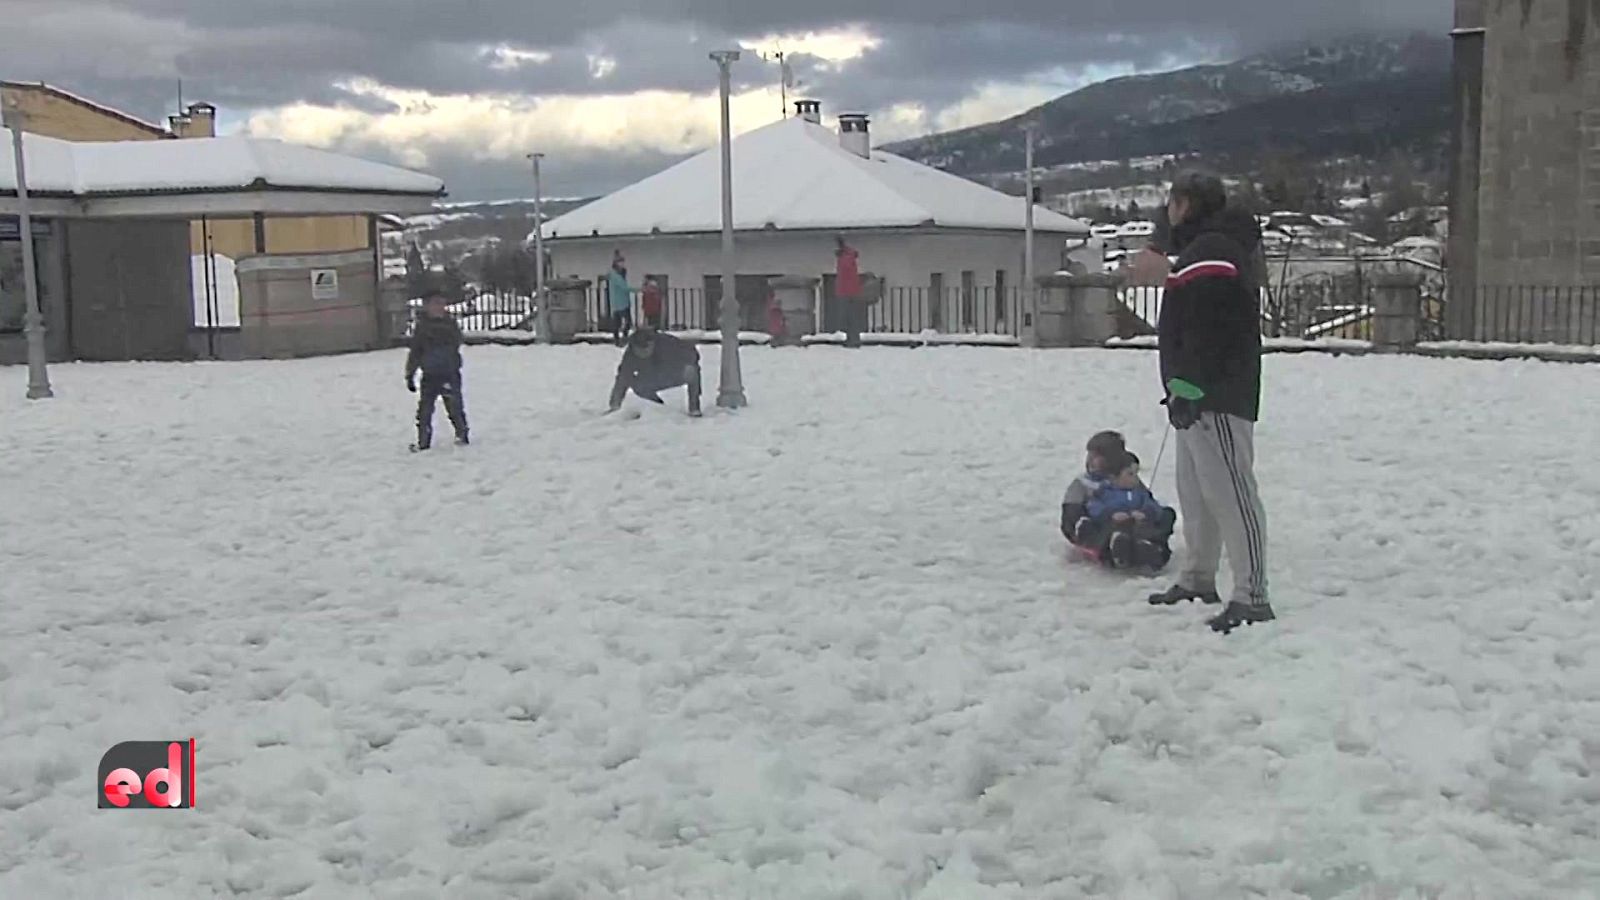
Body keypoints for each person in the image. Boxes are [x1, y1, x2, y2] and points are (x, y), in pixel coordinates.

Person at [1144, 171, 1272, 634]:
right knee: (1196, 488)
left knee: (1229, 490)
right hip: (1195, 393)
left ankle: (1252, 594)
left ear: (1187, 205)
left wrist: (1191, 388)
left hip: (1215, 394)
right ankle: (1199, 575)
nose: (1168, 212)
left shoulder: (1212, 253)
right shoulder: (1207, 249)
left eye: (1172, 203)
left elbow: (1207, 330)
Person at [1087, 452, 1176, 571]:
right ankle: (1118, 551)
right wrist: (1111, 514)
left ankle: (1147, 549)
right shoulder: (1104, 492)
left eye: (1136, 474)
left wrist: (1145, 513)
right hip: (1115, 527)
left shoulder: (1140, 493)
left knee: (1149, 529)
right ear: (1114, 477)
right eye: (1130, 474)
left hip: (1139, 528)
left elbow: (1153, 505)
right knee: (1117, 531)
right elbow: (1094, 508)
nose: (1135, 478)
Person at [404, 292, 469, 451]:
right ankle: (423, 441)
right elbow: (415, 352)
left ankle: (462, 433)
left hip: (449, 372)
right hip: (430, 375)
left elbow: (456, 343)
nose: (438, 307)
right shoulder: (422, 327)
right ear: (427, 307)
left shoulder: (450, 324)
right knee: (425, 411)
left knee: (454, 407)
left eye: (441, 303)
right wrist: (410, 374)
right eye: (434, 304)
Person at [606, 328, 703, 417]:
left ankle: (694, 408)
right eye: (639, 350)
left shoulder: (667, 342)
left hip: (674, 372)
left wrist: (687, 363)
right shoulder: (630, 355)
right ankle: (658, 408)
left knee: (692, 371)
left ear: (652, 343)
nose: (643, 352)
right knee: (637, 385)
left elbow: (692, 353)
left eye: (646, 349)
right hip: (652, 376)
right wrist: (615, 404)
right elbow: (623, 377)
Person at [1060, 430, 1129, 550]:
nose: (1090, 460)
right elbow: (1070, 512)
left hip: (1125, 523)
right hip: (1096, 526)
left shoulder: (1126, 479)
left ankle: (1147, 547)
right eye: (1089, 456)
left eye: (1097, 457)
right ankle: (1104, 543)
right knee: (1082, 521)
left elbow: (1142, 497)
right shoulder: (1082, 483)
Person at [834, 235, 863, 347]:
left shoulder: (846, 257)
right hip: (848, 291)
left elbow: (845, 269)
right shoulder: (847, 256)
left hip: (848, 292)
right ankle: (852, 339)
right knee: (849, 317)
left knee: (850, 317)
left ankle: (853, 340)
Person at [607, 257, 633, 346]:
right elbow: (624, 287)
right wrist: (639, 289)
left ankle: (619, 339)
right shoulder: (616, 276)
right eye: (620, 263)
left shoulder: (619, 274)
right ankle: (620, 339)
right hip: (620, 302)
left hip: (621, 301)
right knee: (625, 321)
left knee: (620, 322)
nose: (622, 265)